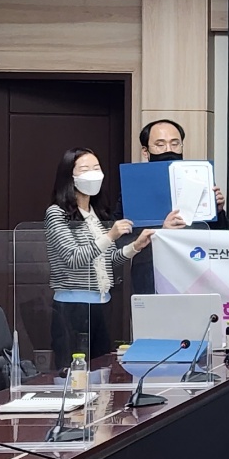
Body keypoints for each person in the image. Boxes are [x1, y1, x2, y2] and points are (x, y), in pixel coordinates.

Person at [45, 148, 151, 367]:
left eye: (96, 168)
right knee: (74, 370)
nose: (93, 174)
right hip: (72, 306)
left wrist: (135, 247)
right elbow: (73, 258)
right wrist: (110, 236)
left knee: (100, 367)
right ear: (69, 176)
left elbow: (107, 260)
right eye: (85, 169)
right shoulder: (57, 213)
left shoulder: (96, 213)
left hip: (102, 302)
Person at [128, 119, 229, 296]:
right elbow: (123, 238)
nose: (169, 149)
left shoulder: (198, 177)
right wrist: (162, 231)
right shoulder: (134, 185)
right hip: (150, 273)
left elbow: (221, 235)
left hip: (195, 269)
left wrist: (218, 211)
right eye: (160, 144)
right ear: (145, 151)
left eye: (175, 144)